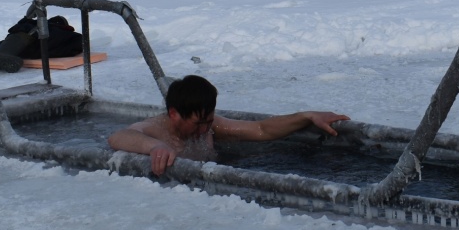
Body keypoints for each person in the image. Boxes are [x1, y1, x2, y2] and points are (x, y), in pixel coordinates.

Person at [107, 75, 350, 176]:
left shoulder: (212, 126)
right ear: (174, 114)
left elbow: (261, 129)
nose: (204, 130)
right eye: (197, 123)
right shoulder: (155, 129)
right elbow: (118, 136)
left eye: (209, 121)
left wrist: (307, 116)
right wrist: (155, 147)